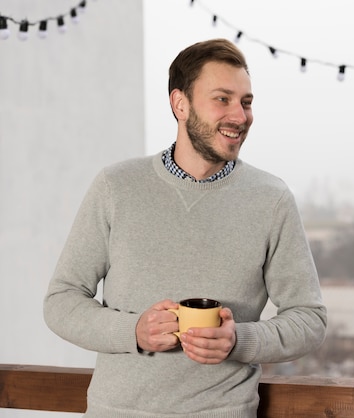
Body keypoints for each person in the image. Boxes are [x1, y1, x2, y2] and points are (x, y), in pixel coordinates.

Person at [43, 38, 327, 418]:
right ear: (180, 104)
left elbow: (309, 318)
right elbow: (61, 301)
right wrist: (133, 332)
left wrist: (239, 340)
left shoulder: (271, 198)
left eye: (246, 101)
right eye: (222, 99)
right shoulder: (117, 186)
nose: (240, 116)